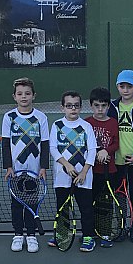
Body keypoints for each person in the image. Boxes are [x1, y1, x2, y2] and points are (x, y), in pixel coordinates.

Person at [2, 78, 49, 253]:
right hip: (15, 170)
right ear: (14, 96)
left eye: (27, 94)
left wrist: (43, 167)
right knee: (16, 203)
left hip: (34, 170)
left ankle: (31, 235)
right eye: (20, 94)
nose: (24, 97)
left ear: (33, 96)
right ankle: (17, 235)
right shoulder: (9, 117)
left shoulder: (41, 117)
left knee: (31, 202)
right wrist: (8, 166)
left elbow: (44, 144)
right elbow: (5, 144)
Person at [49, 91, 98, 252]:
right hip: (62, 177)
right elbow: (53, 148)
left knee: (86, 209)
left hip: (84, 178)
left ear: (80, 108)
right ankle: (62, 235)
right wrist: (67, 165)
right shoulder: (57, 125)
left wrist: (84, 172)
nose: (73, 109)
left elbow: (92, 150)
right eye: (69, 106)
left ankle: (88, 237)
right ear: (62, 108)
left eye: (76, 106)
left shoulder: (86, 126)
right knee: (62, 208)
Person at [106, 69, 133, 243]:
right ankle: (120, 225)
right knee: (118, 196)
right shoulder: (111, 107)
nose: (125, 90)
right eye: (122, 86)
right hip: (115, 161)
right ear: (118, 86)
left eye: (129, 86)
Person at [85, 86, 120, 248]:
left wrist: (107, 150)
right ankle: (90, 233)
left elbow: (116, 143)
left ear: (108, 106)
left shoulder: (113, 123)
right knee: (89, 204)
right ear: (91, 105)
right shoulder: (86, 123)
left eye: (104, 106)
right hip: (90, 173)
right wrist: (97, 152)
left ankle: (105, 233)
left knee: (105, 205)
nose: (100, 109)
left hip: (108, 172)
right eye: (97, 105)